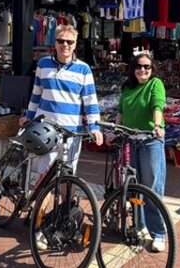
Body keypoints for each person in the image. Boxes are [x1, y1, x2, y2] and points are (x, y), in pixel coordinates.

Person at [19, 25, 103, 250]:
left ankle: (61, 219)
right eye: (61, 41)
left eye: (69, 42)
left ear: (76, 45)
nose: (65, 45)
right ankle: (37, 226)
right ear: (54, 43)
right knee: (44, 180)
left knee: (67, 179)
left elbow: (90, 100)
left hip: (71, 134)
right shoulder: (43, 64)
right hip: (45, 131)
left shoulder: (84, 70)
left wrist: (94, 127)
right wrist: (28, 117)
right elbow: (35, 95)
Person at [114, 53, 167, 252]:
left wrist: (157, 125)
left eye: (147, 66)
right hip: (130, 140)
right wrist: (115, 130)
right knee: (134, 186)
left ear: (152, 69)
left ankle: (159, 233)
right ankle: (139, 225)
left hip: (149, 141)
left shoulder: (155, 84)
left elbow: (157, 105)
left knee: (152, 186)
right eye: (138, 66)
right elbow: (121, 111)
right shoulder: (127, 87)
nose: (142, 70)